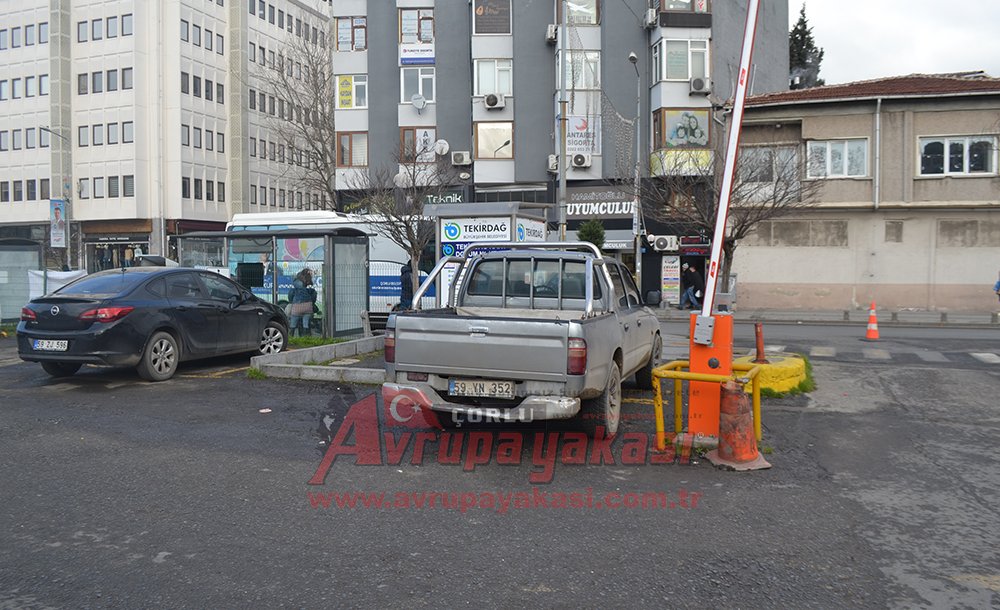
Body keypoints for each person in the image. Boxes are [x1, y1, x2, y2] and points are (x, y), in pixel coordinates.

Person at [286, 268, 317, 337]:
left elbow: (290, 297)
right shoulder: (310, 289)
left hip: (297, 306)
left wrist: (292, 302)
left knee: (293, 323)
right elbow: (314, 297)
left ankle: (291, 337)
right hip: (308, 307)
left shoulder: (295, 288)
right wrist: (311, 302)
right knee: (306, 324)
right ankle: (306, 338)